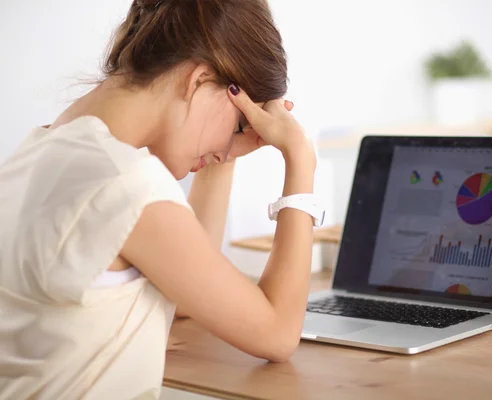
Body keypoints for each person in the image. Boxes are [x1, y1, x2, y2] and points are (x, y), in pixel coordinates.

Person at [0, 0, 319, 398]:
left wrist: (222, 154)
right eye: (240, 121)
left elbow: (184, 291)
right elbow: (277, 332)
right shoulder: (123, 181)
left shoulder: (40, 151)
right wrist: (300, 159)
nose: (228, 144)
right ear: (199, 80)